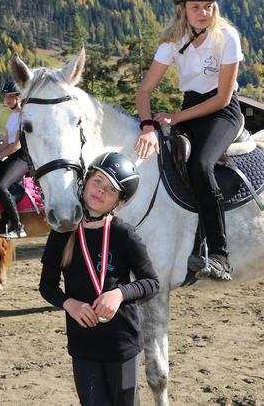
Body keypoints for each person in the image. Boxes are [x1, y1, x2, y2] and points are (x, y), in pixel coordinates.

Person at [134, 0, 244, 281]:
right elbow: (144, 91)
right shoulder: (173, 41)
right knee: (165, 163)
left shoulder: (228, 38)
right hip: (190, 108)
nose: (203, 12)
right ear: (182, 9)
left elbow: (223, 98)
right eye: (195, 7)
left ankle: (220, 253)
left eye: (209, 6)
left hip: (222, 112)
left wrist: (174, 118)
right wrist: (147, 126)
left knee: (200, 165)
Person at [40, 152, 159, 406]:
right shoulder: (62, 233)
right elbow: (47, 286)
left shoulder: (123, 234)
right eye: (98, 181)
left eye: (111, 190)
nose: (101, 191)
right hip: (83, 345)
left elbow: (151, 282)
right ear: (86, 181)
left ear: (120, 202)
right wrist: (69, 303)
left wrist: (119, 294)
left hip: (122, 343)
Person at [0, 79, 28, 240]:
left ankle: (18, 226)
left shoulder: (23, 116)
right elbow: (5, 143)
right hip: (11, 155)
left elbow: (17, 145)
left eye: (10, 97)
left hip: (23, 158)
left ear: (19, 97)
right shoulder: (12, 116)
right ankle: (2, 223)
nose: (7, 100)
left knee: (1, 185)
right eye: (6, 97)